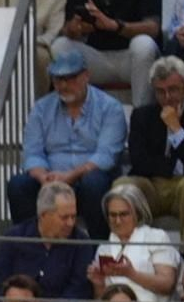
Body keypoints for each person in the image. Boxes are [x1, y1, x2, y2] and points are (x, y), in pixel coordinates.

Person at [7, 50, 126, 242]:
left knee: (94, 183)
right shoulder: (41, 108)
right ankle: (30, 248)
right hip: (50, 178)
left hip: (87, 177)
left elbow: (106, 156)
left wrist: (70, 176)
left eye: (70, 79)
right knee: (18, 185)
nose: (63, 85)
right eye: (58, 80)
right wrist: (43, 176)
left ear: (86, 76)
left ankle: (99, 248)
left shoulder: (109, 107)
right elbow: (32, 152)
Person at [117, 56, 184, 242]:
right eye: (160, 92)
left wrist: (176, 128)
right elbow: (139, 161)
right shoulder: (142, 115)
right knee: (122, 185)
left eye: (173, 90)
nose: (167, 98)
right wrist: (170, 167)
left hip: (182, 186)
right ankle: (126, 248)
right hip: (150, 185)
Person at [87, 182, 180, 302]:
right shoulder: (104, 248)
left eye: (123, 214)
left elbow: (167, 284)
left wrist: (131, 274)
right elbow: (102, 297)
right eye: (113, 215)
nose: (117, 221)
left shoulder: (156, 237)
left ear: (138, 213)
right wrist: (98, 284)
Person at [47, 0, 160, 107]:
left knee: (144, 45)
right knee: (60, 46)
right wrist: (73, 29)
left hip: (131, 58)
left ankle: (141, 113)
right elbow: (66, 26)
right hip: (95, 58)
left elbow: (153, 27)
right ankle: (71, 114)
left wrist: (115, 26)